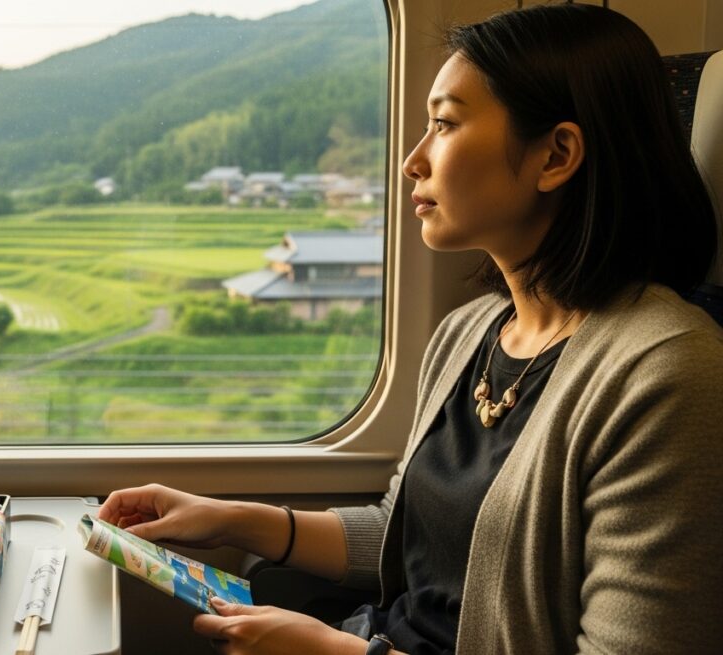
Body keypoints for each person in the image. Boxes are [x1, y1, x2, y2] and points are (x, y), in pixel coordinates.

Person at [97, 5, 723, 654]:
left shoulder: (668, 376)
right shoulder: (469, 333)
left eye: (445, 124)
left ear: (556, 155)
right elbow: (409, 538)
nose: (412, 162)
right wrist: (232, 521)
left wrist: (337, 651)